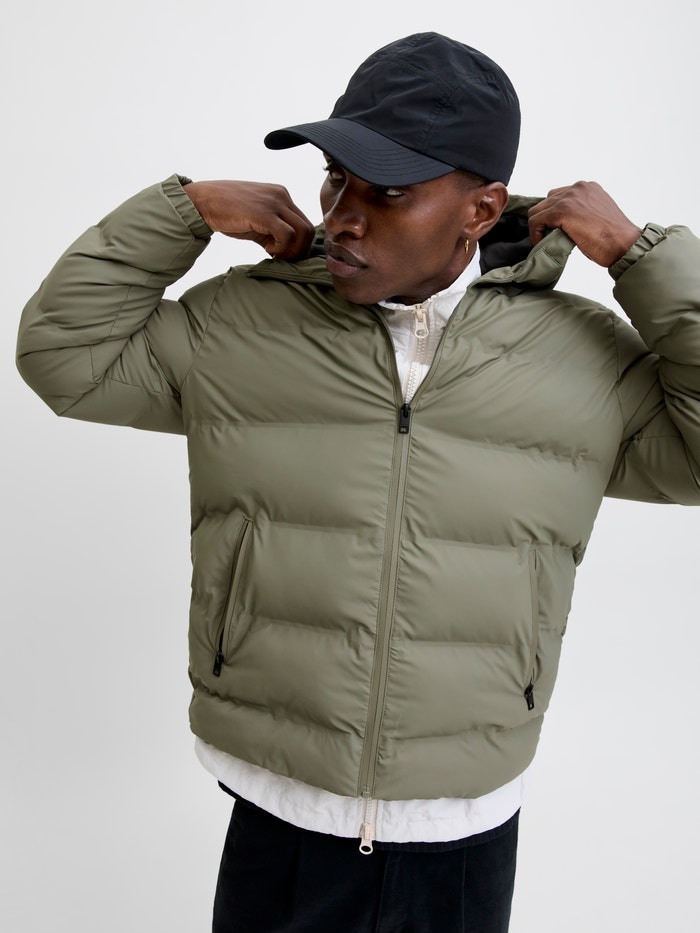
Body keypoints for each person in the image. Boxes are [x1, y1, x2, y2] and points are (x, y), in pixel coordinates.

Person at [16, 31, 700, 933]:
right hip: (279, 807)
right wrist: (184, 211)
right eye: (336, 179)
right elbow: (64, 356)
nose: (343, 214)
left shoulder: (583, 358)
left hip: (461, 825)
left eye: (389, 191)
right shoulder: (242, 324)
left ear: (482, 207)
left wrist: (643, 256)